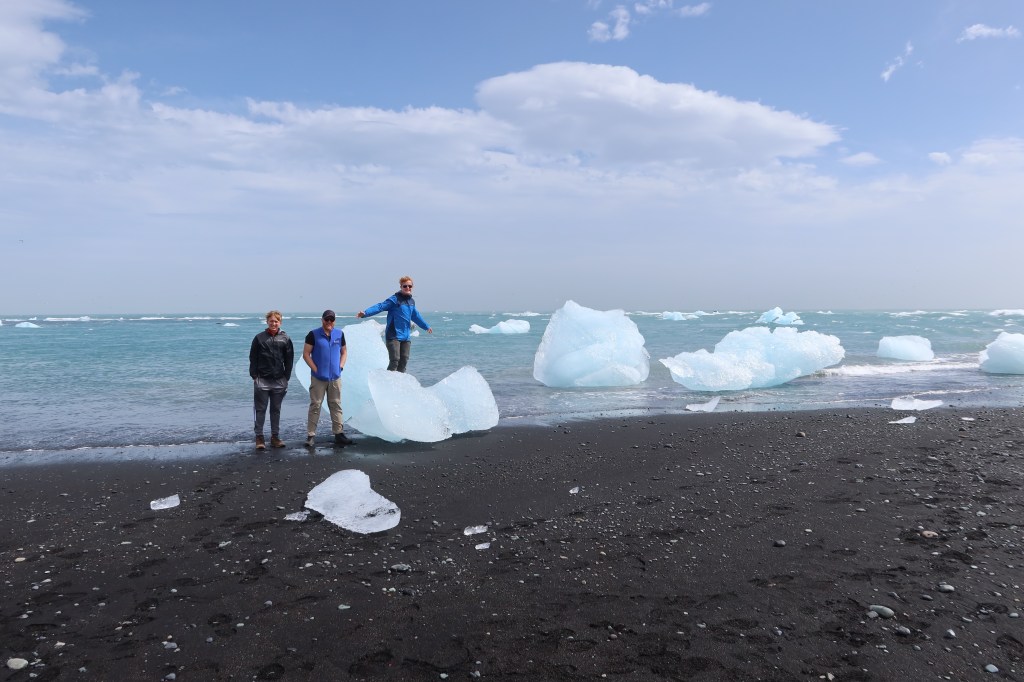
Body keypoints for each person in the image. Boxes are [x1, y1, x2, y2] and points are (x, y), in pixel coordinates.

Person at [357, 275, 432, 372]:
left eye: (410, 286)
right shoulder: (394, 299)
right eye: (405, 286)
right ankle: (387, 380)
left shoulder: (411, 302)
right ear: (401, 287)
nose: (407, 288)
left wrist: (426, 327)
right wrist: (365, 313)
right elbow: (380, 306)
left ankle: (400, 381)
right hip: (393, 336)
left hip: (406, 337)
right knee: (395, 361)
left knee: (403, 362)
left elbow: (416, 316)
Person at [303, 310, 353, 447]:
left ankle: (339, 434)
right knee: (315, 405)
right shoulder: (313, 334)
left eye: (331, 320)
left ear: (334, 321)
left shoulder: (339, 334)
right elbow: (306, 354)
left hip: (335, 377)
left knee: (336, 404)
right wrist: (315, 369)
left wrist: (340, 366)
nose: (329, 322)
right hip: (318, 378)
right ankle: (311, 435)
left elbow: (344, 352)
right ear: (322, 320)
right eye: (327, 319)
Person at [249, 310, 294, 450]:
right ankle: (259, 437)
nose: (273, 323)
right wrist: (254, 375)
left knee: (276, 410)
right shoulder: (259, 338)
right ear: (267, 322)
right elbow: (253, 357)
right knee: (260, 410)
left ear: (280, 322)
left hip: (279, 380)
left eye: (276, 321)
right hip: (262, 379)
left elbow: (289, 359)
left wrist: (286, 377)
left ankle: (275, 437)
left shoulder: (285, 339)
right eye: (271, 321)